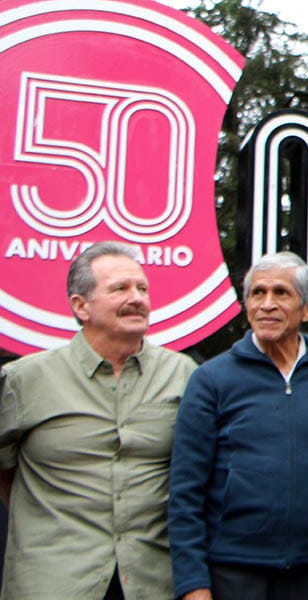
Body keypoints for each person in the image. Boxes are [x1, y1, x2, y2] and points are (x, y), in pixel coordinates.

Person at [0, 241, 196, 599]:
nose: (136, 298)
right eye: (120, 288)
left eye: (142, 288)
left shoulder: (183, 375)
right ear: (81, 306)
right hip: (55, 582)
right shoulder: (25, 380)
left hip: (151, 582)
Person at [168, 252, 308, 600]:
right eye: (258, 293)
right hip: (233, 573)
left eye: (281, 293)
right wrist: (192, 584)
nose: (267, 304)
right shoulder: (210, 380)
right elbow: (185, 491)